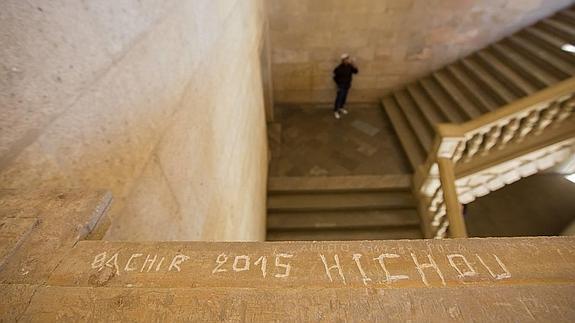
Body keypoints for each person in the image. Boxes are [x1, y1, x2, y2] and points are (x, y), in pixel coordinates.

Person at [332, 53, 359, 119]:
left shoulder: (350, 66)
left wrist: (354, 64)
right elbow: (335, 77)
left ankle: (341, 108)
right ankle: (336, 111)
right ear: (343, 60)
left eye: (348, 59)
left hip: (347, 85)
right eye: (346, 59)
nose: (348, 60)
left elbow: (356, 72)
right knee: (339, 98)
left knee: (344, 97)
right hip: (341, 86)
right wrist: (338, 85)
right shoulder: (339, 68)